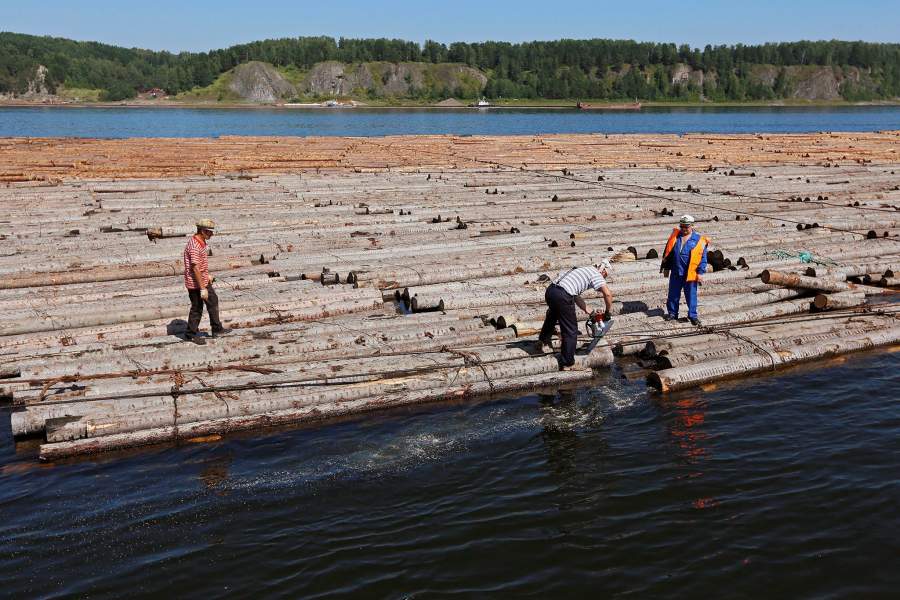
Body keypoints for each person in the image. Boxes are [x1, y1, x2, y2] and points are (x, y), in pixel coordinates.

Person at [538, 259, 613, 370]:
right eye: (605, 276)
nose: (604, 278)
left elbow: (575, 296)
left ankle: (542, 341)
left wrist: (590, 312)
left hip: (551, 291)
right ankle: (568, 363)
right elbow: (607, 294)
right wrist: (608, 312)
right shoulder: (596, 274)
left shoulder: (582, 269)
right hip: (563, 295)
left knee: (553, 315)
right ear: (603, 271)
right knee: (570, 329)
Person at [183, 219, 229, 344]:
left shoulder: (201, 242)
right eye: (209, 232)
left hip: (202, 280)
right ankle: (190, 334)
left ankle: (217, 328)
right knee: (197, 307)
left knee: (213, 300)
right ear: (202, 231)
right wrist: (202, 288)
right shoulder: (194, 246)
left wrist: (207, 275)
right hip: (195, 283)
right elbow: (195, 268)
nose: (211, 234)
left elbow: (200, 265)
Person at [660, 214, 710, 326]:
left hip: (691, 273)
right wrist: (666, 268)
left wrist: (700, 273)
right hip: (676, 271)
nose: (683, 229)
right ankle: (672, 313)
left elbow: (703, 258)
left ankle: (692, 315)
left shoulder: (699, 240)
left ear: (692, 226)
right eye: (682, 226)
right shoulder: (675, 237)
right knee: (673, 294)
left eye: (686, 227)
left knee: (691, 295)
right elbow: (668, 253)